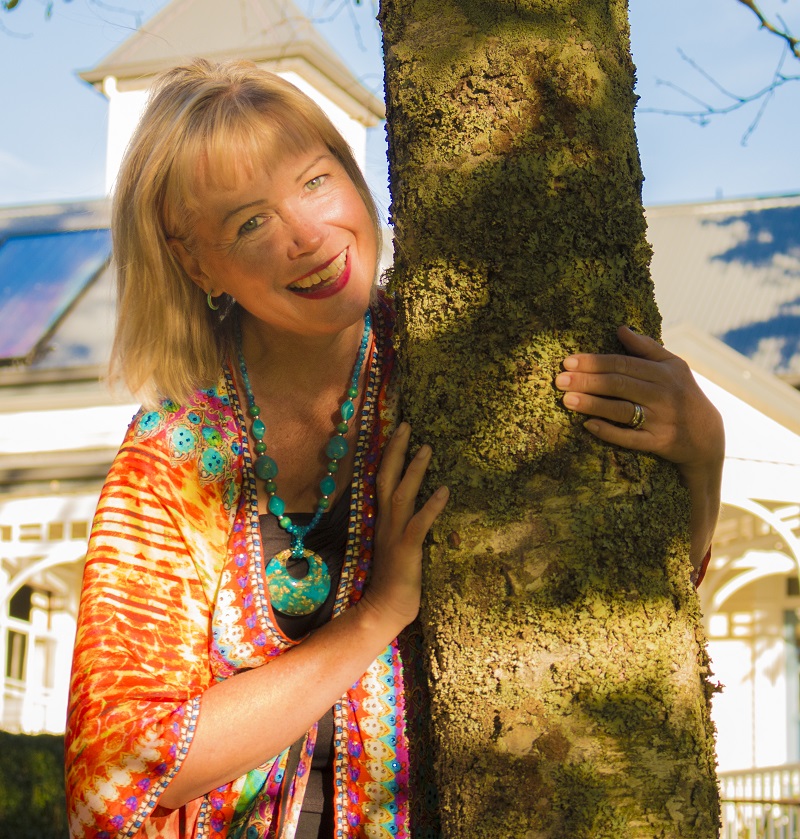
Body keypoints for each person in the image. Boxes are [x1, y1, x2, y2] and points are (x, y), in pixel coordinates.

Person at [65, 58, 724, 839]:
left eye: (315, 182)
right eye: (251, 222)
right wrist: (375, 616)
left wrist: (703, 454)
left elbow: (619, 611)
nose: (308, 237)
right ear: (195, 261)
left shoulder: (460, 362)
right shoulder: (175, 450)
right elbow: (119, 771)